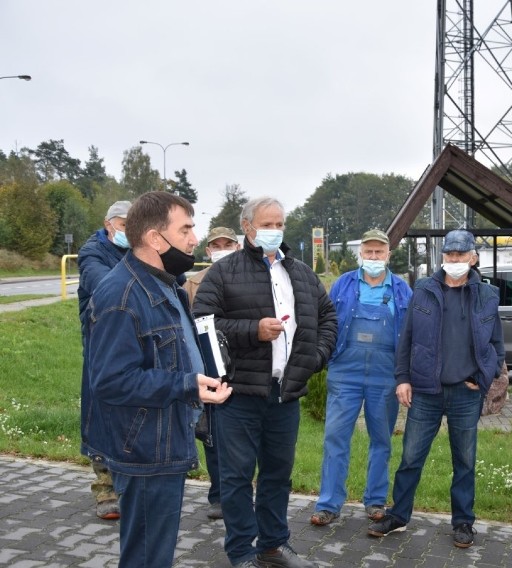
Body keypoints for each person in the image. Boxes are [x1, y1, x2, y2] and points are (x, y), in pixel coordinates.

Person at [82, 192, 233, 567]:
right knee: (147, 555)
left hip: (165, 437)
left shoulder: (165, 282)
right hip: (145, 447)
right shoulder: (122, 294)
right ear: (154, 238)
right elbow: (110, 380)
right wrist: (185, 385)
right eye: (185, 229)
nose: (194, 239)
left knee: (154, 553)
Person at [193, 196, 336, 568]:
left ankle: (273, 546)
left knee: (277, 475)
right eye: (267, 224)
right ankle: (241, 552)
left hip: (283, 394)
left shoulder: (301, 273)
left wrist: (314, 358)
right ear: (247, 227)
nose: (274, 230)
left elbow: (328, 317)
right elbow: (203, 324)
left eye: (279, 224)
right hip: (238, 394)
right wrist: (252, 330)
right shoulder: (224, 273)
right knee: (237, 478)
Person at [366, 229, 504, 549]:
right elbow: (408, 338)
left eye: (460, 255)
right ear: (442, 256)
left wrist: (485, 380)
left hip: (466, 392)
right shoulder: (424, 289)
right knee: (411, 457)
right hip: (426, 391)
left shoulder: (487, 295)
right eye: (449, 254)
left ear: (473, 257)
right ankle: (398, 516)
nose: (454, 260)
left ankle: (463, 522)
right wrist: (403, 378)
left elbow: (495, 344)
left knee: (465, 460)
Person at [310, 229, 412, 527]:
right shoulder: (342, 285)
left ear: (388, 255)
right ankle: (328, 504)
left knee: (381, 439)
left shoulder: (402, 290)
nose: (373, 257)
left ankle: (376, 501)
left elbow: (411, 334)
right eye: (368, 252)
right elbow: (325, 322)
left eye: (379, 252)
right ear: (361, 254)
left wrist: (406, 374)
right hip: (346, 371)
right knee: (335, 437)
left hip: (386, 373)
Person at [76, 199, 131, 520]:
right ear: (108, 223)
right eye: (124, 225)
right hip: (102, 347)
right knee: (100, 415)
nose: (128, 231)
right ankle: (104, 489)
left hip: (135, 347)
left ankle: (129, 483)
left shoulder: (139, 251)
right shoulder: (92, 253)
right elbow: (103, 285)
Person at [183, 226, 241, 521]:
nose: (221, 249)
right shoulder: (192, 285)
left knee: (242, 437)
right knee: (213, 436)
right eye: (215, 245)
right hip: (210, 370)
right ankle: (218, 496)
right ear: (208, 251)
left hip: (243, 368)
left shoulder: (250, 278)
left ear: (237, 246)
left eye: (227, 244)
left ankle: (241, 494)